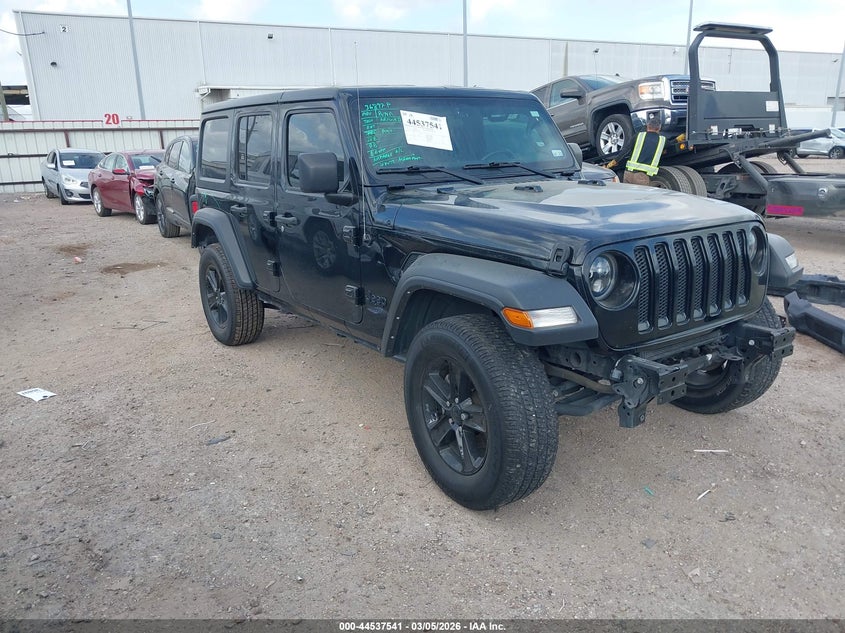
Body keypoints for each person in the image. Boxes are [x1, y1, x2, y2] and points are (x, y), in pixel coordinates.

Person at [623, 117, 665, 186]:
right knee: (640, 196)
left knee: (627, 196)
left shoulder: (638, 136)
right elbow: (671, 144)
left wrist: (612, 163)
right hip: (641, 177)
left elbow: (625, 150)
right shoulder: (662, 140)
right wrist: (678, 139)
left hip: (628, 173)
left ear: (647, 126)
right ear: (659, 128)